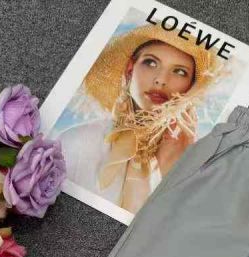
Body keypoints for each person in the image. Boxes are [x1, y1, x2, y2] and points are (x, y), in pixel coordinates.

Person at [57, 23, 225, 214]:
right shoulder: (75, 142)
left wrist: (174, 168)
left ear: (191, 87)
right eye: (151, 63)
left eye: (179, 71)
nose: (161, 80)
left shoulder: (201, 165)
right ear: (130, 69)